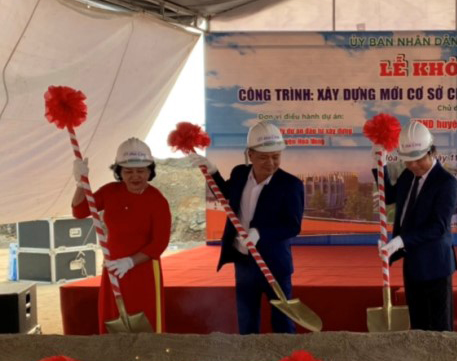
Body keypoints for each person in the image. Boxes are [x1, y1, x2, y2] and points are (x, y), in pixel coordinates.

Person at [196, 122, 304, 334]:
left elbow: (292, 226)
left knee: (282, 321)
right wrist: (213, 172)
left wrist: (260, 233)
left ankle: (286, 359)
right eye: (264, 157)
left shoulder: (290, 185)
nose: (270, 163)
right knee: (247, 320)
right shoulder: (239, 174)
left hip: (274, 264)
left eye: (276, 156)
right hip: (244, 262)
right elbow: (226, 195)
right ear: (250, 155)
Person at [71, 138, 171, 333]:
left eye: (141, 171)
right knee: (112, 317)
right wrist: (79, 183)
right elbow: (80, 211)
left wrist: (130, 262)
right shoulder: (110, 192)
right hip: (114, 269)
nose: (135, 176)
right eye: (128, 171)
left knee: (147, 321)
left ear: (150, 171)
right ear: (119, 172)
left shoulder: (157, 200)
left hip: (143, 272)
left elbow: (159, 243)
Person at [377, 121, 457, 331]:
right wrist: (381, 162)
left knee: (440, 328)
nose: (413, 165)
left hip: (436, 265)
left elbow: (438, 226)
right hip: (412, 263)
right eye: (407, 161)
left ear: (431, 152)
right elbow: (388, 196)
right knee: (418, 324)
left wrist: (401, 241)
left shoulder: (446, 182)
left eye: (418, 160)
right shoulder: (408, 176)